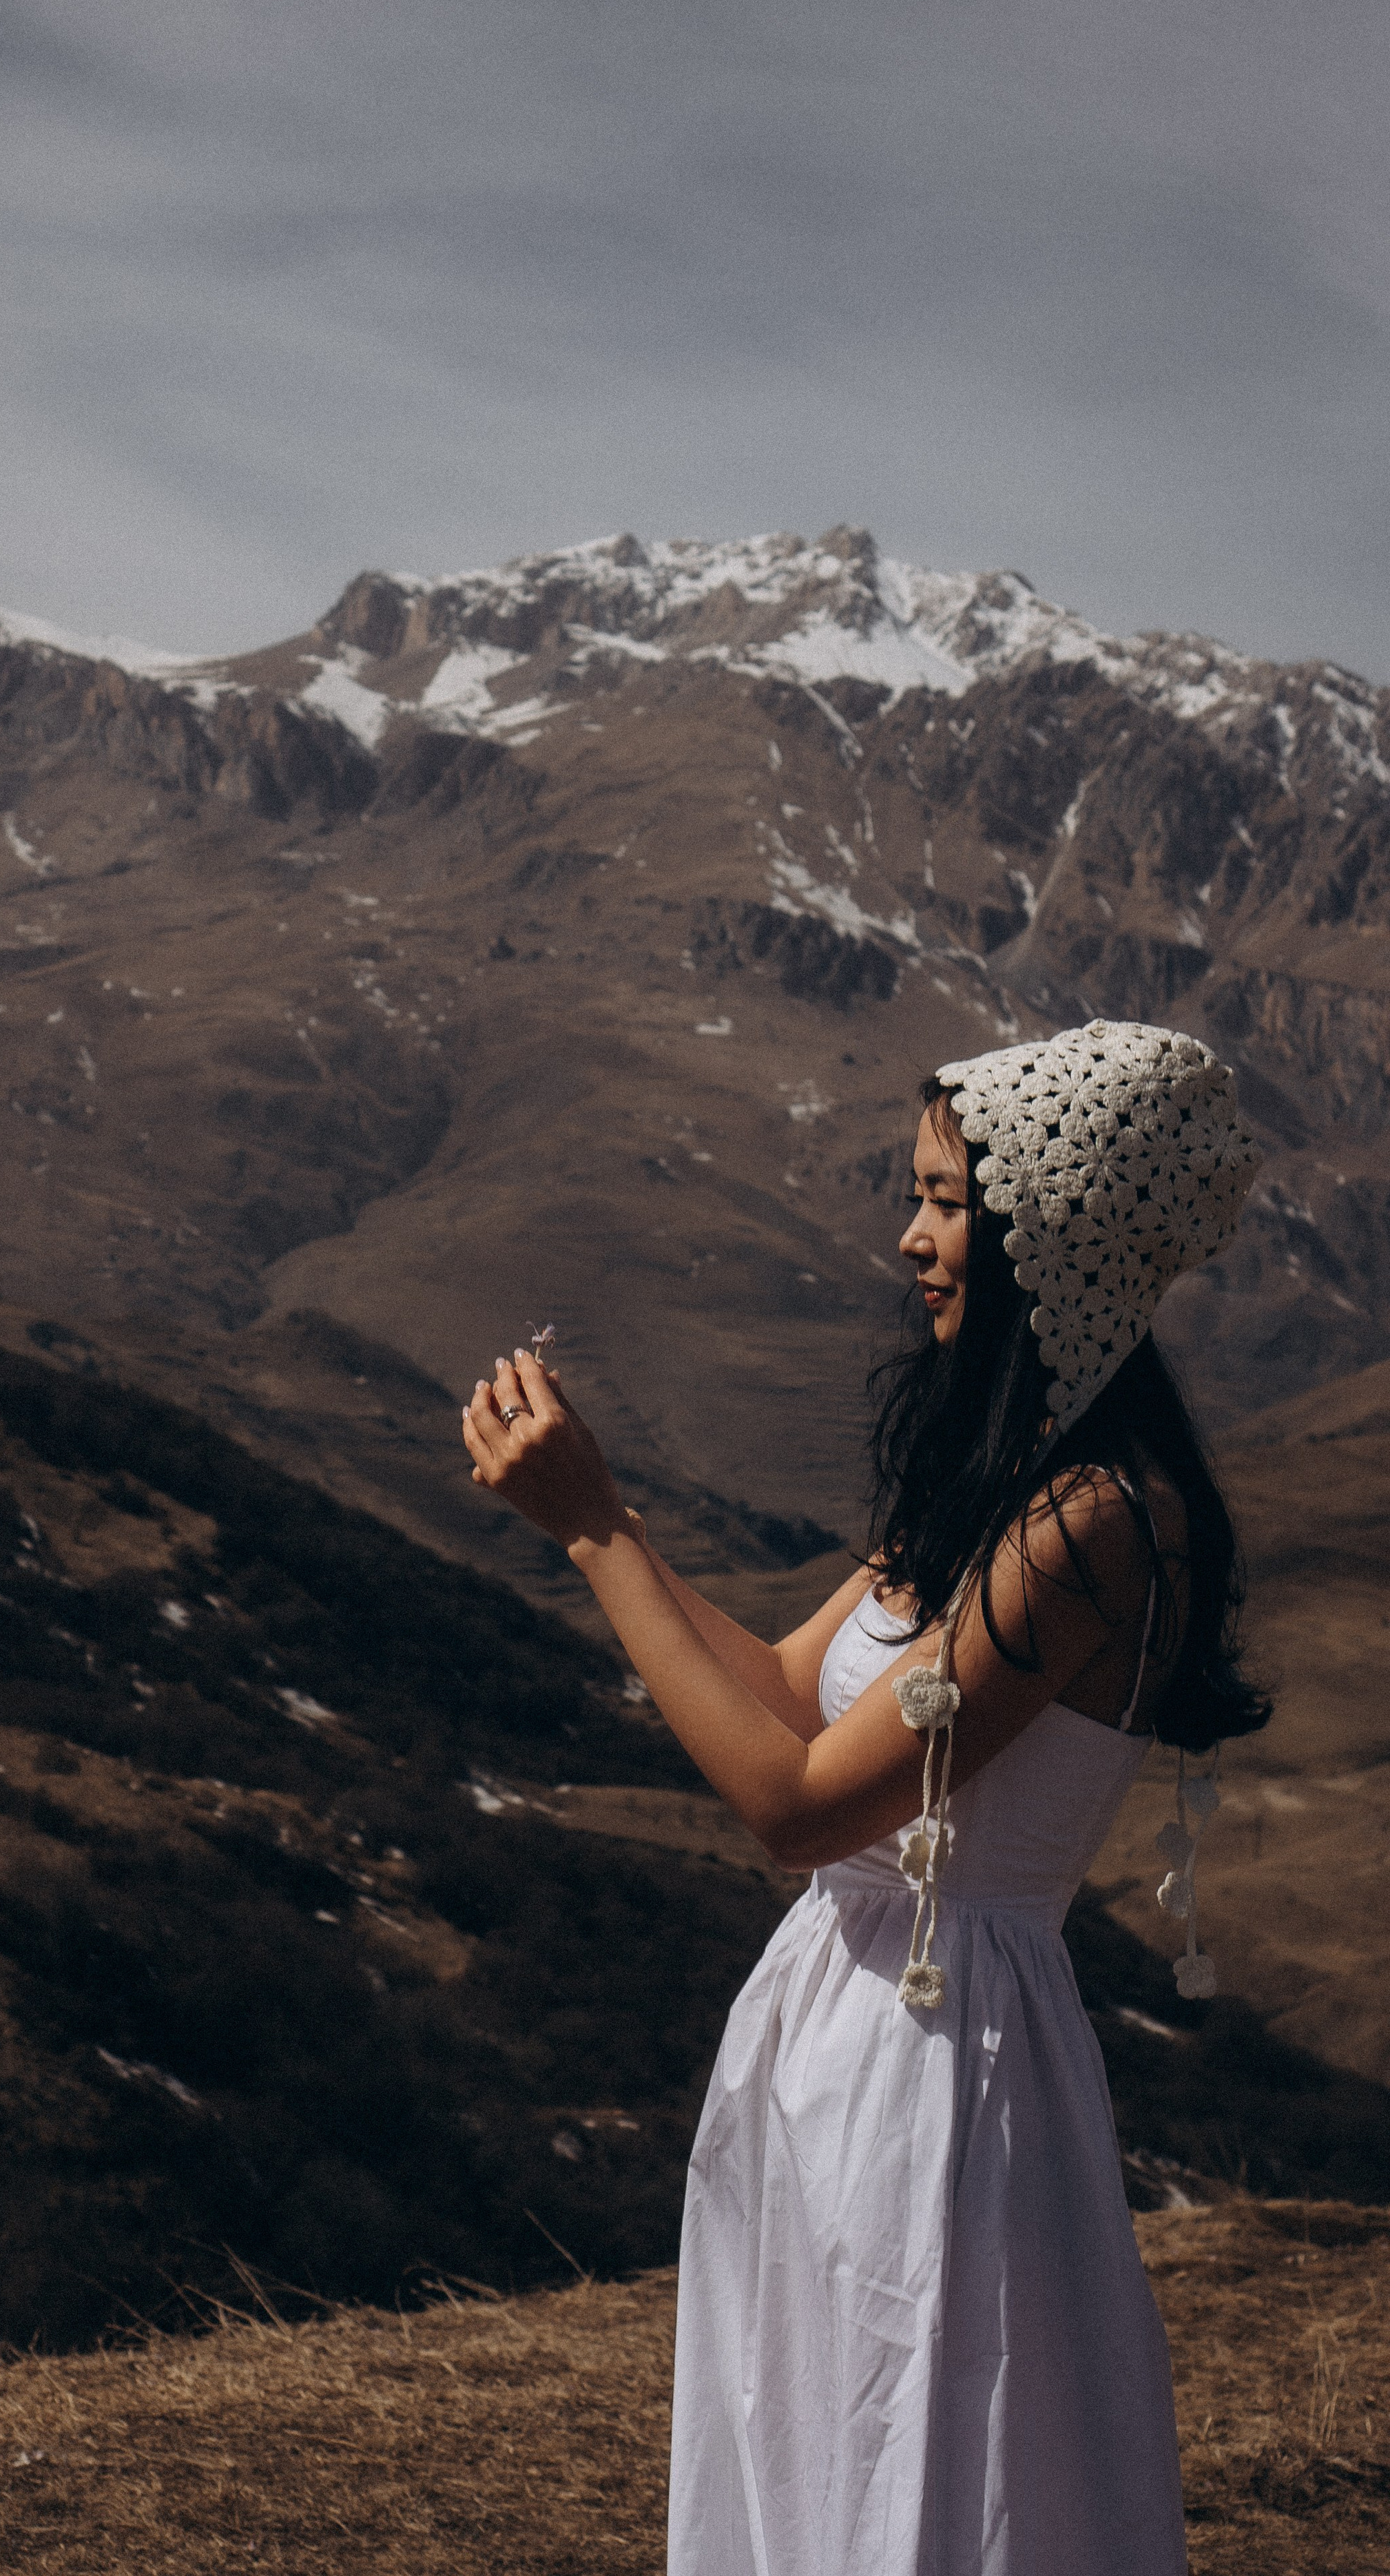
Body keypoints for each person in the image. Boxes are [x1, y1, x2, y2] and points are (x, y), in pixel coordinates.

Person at [460, 1019, 1265, 2576]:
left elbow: (798, 1808)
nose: (911, 1238)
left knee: (922, 2475)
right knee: (814, 2456)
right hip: (842, 2039)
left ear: (1058, 1235)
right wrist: (598, 1510)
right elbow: (777, 1687)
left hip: (939, 2071)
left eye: (949, 1203)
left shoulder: (1092, 1522)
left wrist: (593, 1534)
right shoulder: (1002, 1489)